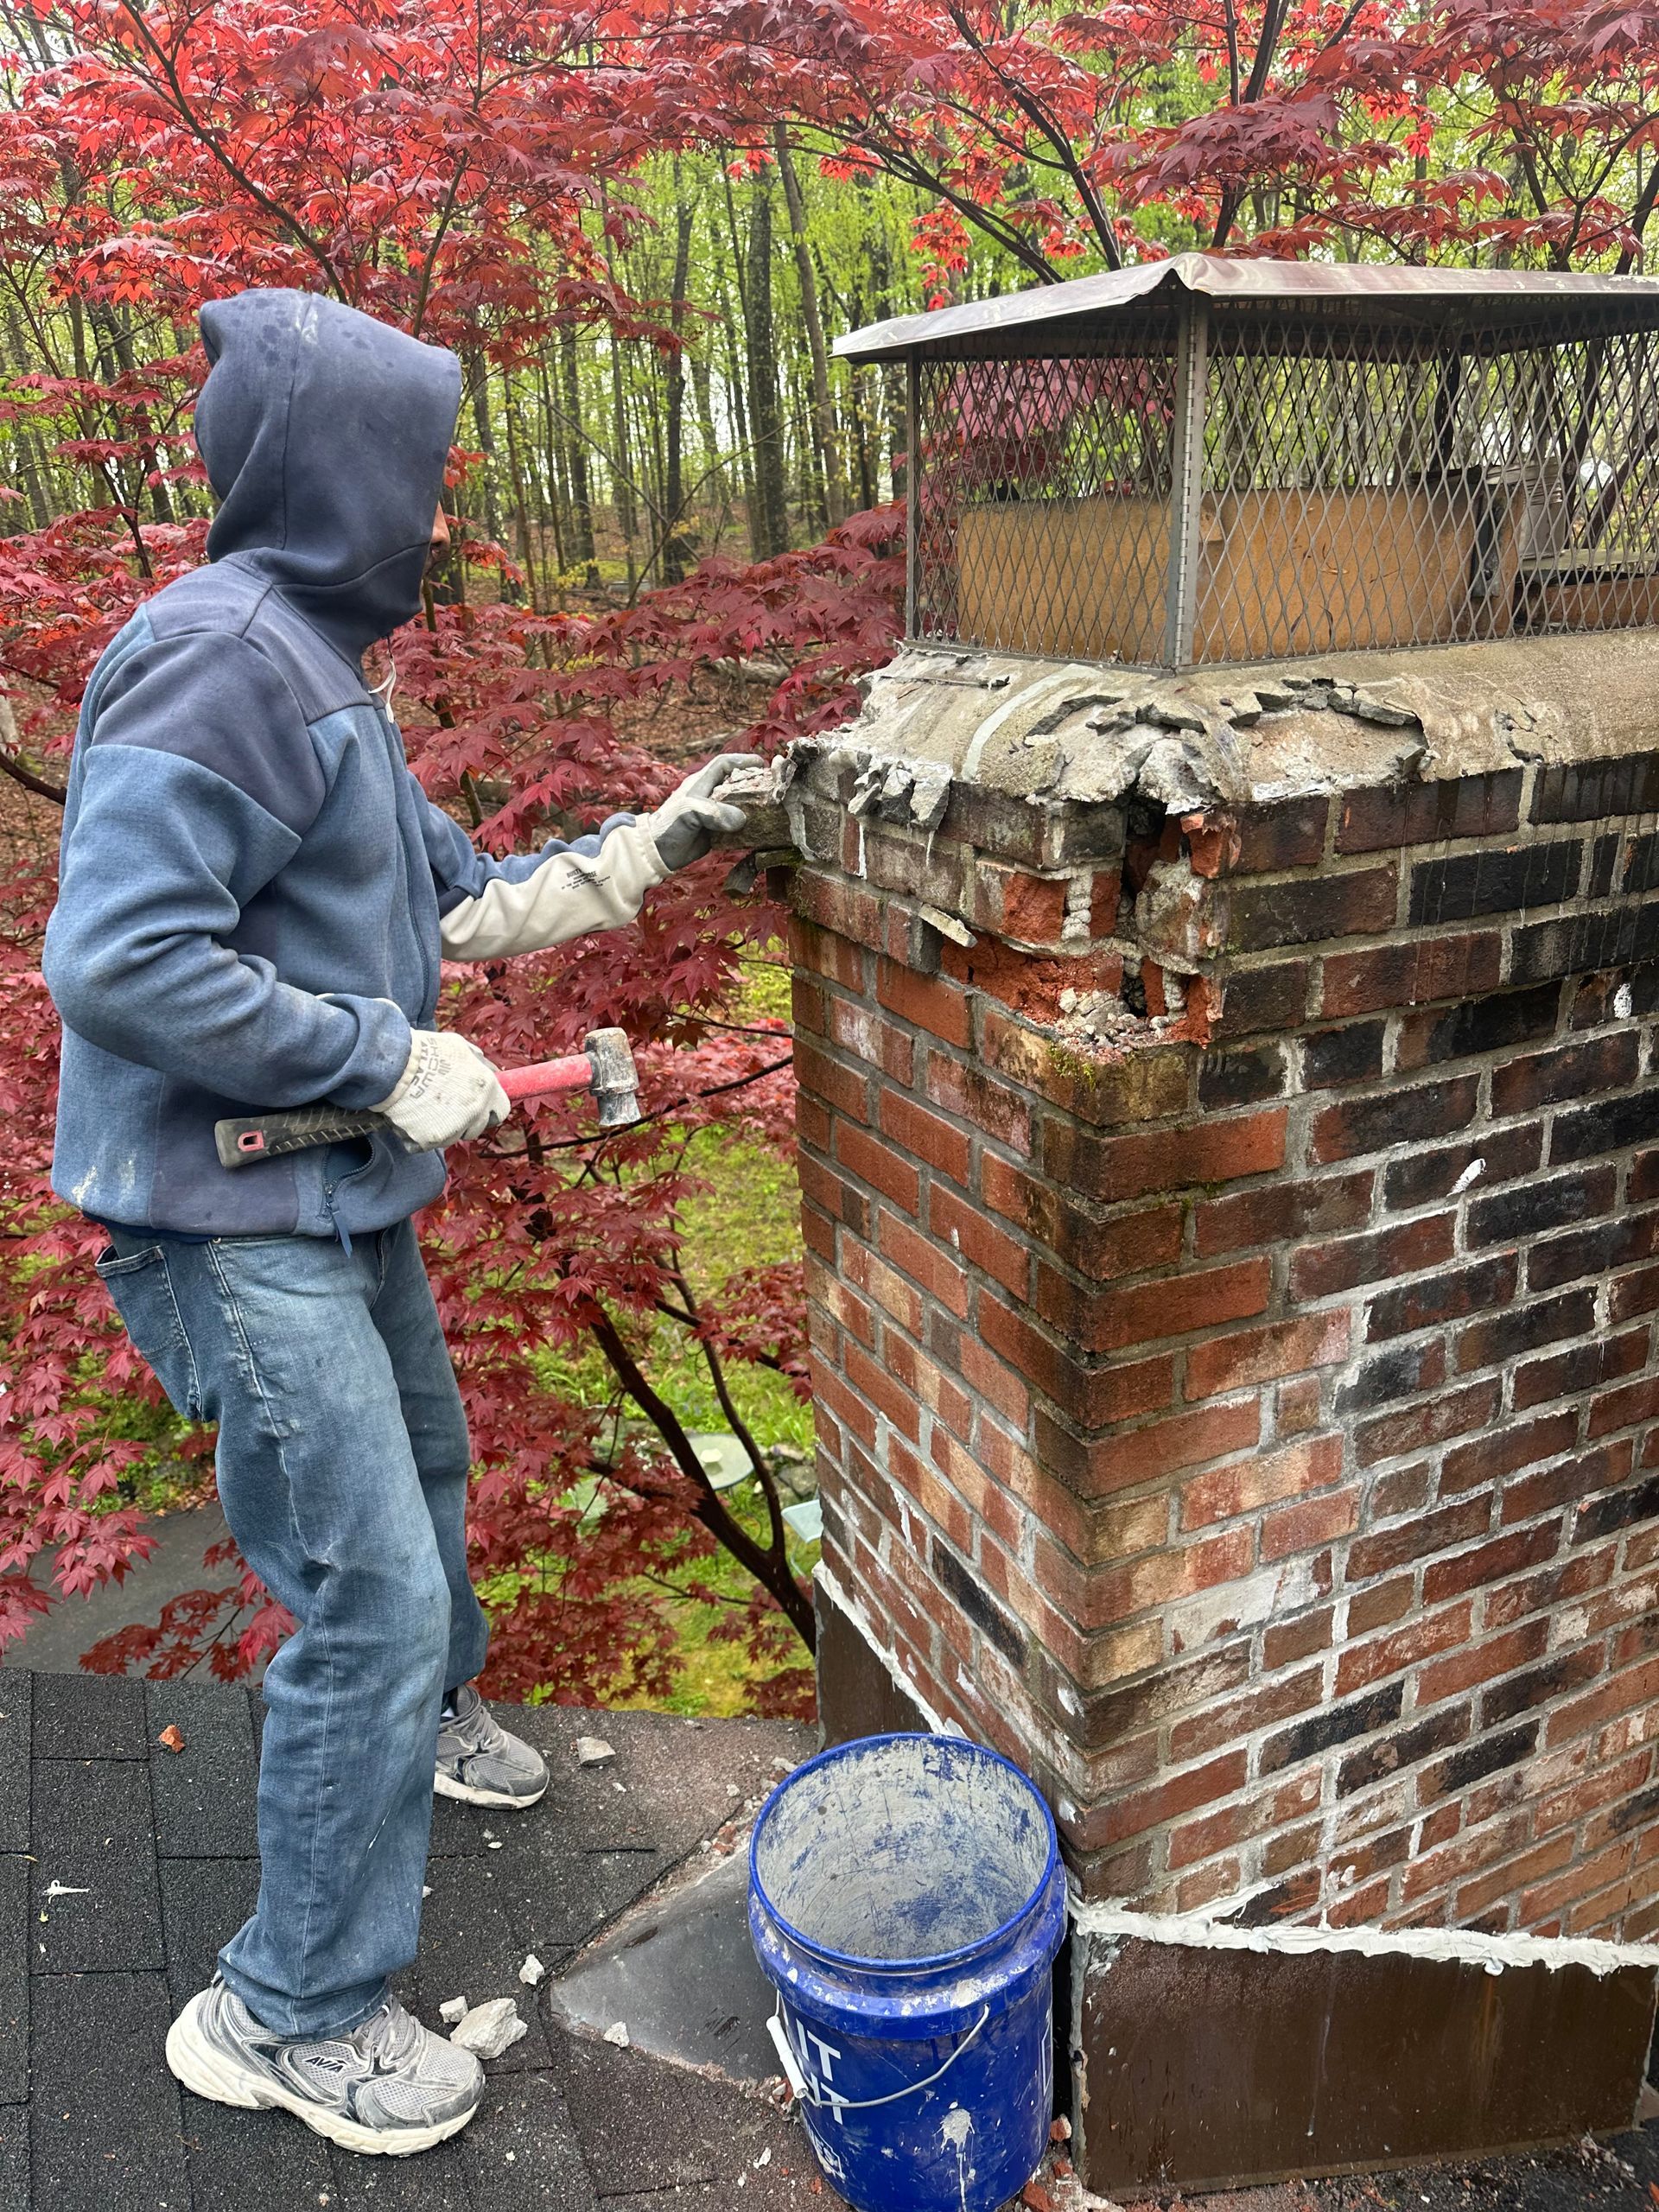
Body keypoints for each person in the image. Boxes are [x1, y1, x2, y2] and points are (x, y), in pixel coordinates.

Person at [41, 288, 759, 2158]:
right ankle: (292, 2005)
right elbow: (117, 960)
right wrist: (374, 1057)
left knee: (426, 1492)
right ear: (338, 471)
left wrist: (656, 845)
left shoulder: (329, 676)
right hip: (224, 1214)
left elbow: (461, 903)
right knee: (365, 1591)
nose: (441, 518)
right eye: (422, 478)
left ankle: (414, 1721)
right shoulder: (215, 659)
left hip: (324, 1180)